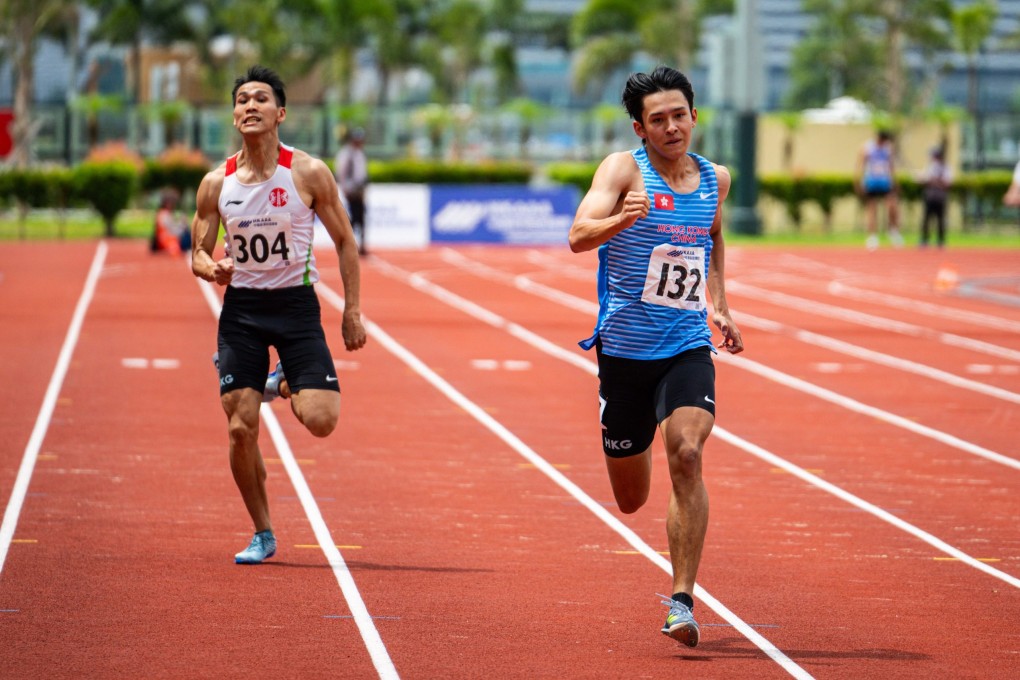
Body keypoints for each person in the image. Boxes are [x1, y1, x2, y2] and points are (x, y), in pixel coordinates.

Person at [568, 65, 743, 648]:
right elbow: (577, 234)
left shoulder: (716, 178)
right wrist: (624, 217)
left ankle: (682, 601)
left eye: (679, 115)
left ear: (695, 116)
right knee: (631, 498)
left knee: (688, 454)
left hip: (687, 345)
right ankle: (619, 429)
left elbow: (714, 235)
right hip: (624, 352)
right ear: (641, 129)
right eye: (658, 119)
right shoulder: (623, 169)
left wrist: (718, 304)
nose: (671, 127)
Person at [190, 65, 367, 565]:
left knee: (321, 420)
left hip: (296, 307)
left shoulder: (308, 173)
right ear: (233, 115)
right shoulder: (215, 184)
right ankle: (262, 532)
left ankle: (284, 380)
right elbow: (197, 250)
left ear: (280, 113)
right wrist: (211, 267)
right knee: (240, 428)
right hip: (242, 311)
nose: (249, 105)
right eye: (241, 99)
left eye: (261, 99)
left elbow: (346, 242)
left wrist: (351, 311)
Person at [856, 129, 903, 250]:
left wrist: (895, 181)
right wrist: (858, 181)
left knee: (892, 205)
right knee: (872, 209)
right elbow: (860, 165)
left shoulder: (888, 149)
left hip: (885, 181)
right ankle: (872, 237)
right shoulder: (867, 148)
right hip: (871, 181)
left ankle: (893, 232)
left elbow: (891, 166)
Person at [335, 127, 369, 255]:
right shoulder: (346, 154)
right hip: (351, 189)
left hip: (360, 189)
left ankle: (360, 244)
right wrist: (345, 188)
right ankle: (349, 244)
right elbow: (342, 173)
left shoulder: (359, 153)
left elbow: (362, 173)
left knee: (361, 218)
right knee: (353, 219)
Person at [918, 147, 952, 249]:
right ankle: (924, 240)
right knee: (926, 219)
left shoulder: (945, 168)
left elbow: (947, 183)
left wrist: (935, 181)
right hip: (930, 197)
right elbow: (925, 180)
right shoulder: (930, 167)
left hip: (940, 197)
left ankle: (940, 241)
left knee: (940, 219)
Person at [151, 189, 190, 256]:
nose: (173, 205)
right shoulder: (164, 214)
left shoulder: (163, 213)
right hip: (167, 240)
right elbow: (171, 230)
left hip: (167, 238)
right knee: (187, 234)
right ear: (167, 203)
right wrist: (182, 224)